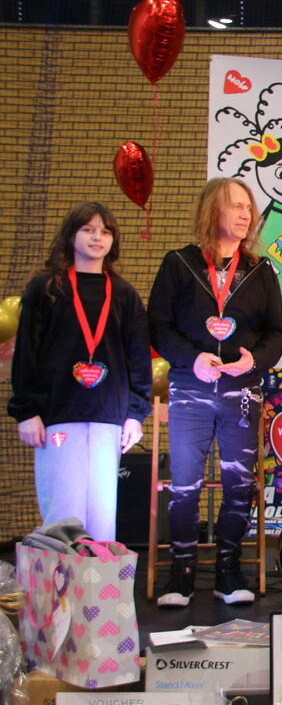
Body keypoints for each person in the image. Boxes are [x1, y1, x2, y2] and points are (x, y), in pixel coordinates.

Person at [148, 177, 282, 607]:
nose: (246, 214)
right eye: (235, 206)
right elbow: (158, 326)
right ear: (213, 210)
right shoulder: (179, 263)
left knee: (239, 483)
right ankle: (181, 572)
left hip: (241, 393)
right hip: (190, 390)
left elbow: (276, 334)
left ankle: (229, 569)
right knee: (185, 484)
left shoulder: (261, 270)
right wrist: (192, 359)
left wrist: (254, 361)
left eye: (249, 207)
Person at [9, 202, 151, 540]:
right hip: (59, 414)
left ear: (113, 240)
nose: (96, 237)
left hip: (108, 417)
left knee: (102, 515)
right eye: (88, 229)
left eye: (105, 231)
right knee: (64, 511)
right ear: (70, 236)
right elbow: (27, 353)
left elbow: (138, 358)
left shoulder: (123, 293)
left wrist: (135, 414)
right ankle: (61, 576)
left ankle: (98, 575)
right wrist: (26, 411)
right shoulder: (46, 288)